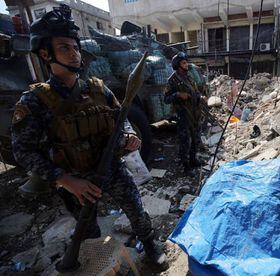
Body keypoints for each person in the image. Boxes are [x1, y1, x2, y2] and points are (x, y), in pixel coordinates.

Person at [11, 5, 167, 268]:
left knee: (136, 211)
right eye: (64, 48)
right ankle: (96, 261)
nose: (74, 54)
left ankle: (150, 246)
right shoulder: (35, 101)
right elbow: (22, 151)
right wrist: (65, 180)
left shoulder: (98, 88)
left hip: (111, 168)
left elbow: (121, 117)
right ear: (45, 54)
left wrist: (129, 134)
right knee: (88, 228)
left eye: (75, 47)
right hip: (75, 178)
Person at [165, 52, 202, 175]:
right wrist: (178, 95)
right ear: (177, 65)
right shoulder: (172, 80)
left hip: (194, 114)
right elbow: (166, 99)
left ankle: (193, 160)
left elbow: (195, 91)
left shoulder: (189, 77)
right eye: (183, 63)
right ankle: (185, 167)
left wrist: (200, 96)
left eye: (186, 62)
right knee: (185, 141)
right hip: (183, 115)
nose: (186, 65)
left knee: (195, 139)